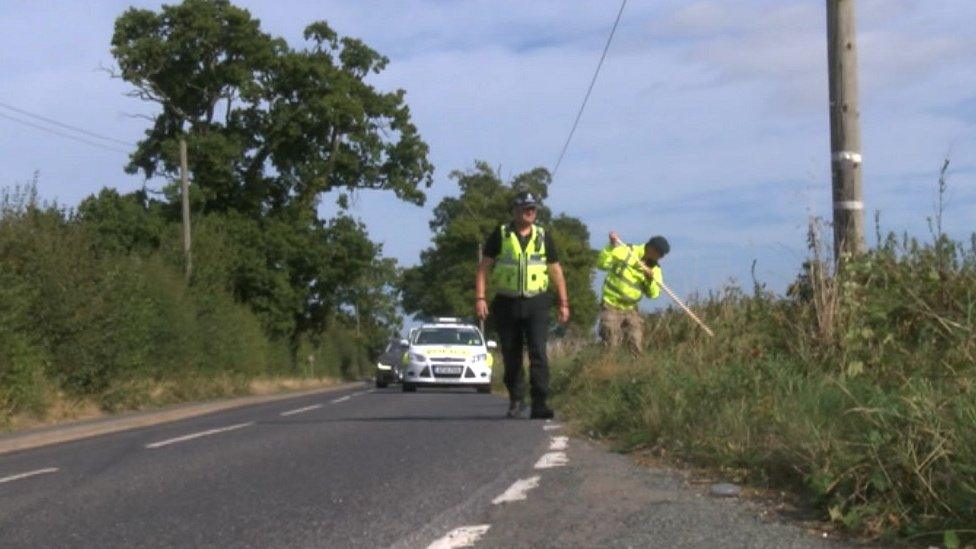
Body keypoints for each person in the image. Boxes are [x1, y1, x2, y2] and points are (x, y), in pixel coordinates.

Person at [475, 192, 570, 419]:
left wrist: (563, 303)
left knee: (538, 352)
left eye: (532, 209)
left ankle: (539, 403)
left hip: (537, 301)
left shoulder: (543, 235)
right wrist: (480, 298)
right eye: (524, 209)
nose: (529, 213)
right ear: (515, 211)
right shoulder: (501, 234)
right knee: (511, 354)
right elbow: (483, 268)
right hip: (507, 302)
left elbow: (556, 270)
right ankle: (516, 401)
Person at [596, 231, 670, 354]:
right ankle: (607, 367)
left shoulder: (655, 269)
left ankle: (635, 368)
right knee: (611, 341)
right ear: (651, 248)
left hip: (631, 309)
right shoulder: (627, 251)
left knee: (636, 341)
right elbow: (601, 264)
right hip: (611, 305)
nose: (661, 257)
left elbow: (654, 294)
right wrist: (611, 246)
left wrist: (649, 280)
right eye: (660, 254)